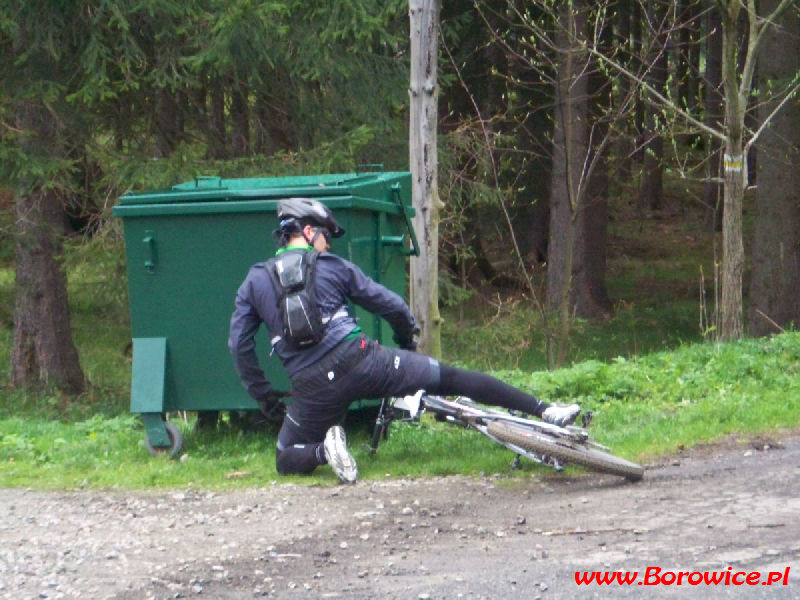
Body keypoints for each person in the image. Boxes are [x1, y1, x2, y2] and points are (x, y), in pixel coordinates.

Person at [229, 198, 581, 484]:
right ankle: (545, 411)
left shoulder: (254, 281)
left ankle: (325, 452)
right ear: (308, 231)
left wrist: (265, 397)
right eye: (325, 236)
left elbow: (239, 346)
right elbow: (392, 305)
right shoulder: (332, 266)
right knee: (452, 378)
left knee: (285, 456)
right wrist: (405, 342)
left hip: (312, 386)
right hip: (366, 362)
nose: (327, 243)